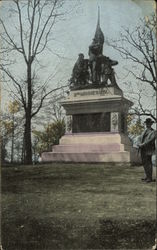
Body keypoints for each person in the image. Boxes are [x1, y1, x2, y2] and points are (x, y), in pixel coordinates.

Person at [138, 118, 156, 183]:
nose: (147, 124)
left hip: (148, 149)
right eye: (146, 123)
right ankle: (147, 176)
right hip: (143, 149)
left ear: (151, 124)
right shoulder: (144, 131)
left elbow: (150, 140)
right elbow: (140, 138)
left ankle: (149, 178)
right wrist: (139, 143)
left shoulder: (153, 131)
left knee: (148, 163)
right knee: (144, 163)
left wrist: (143, 144)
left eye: (148, 123)